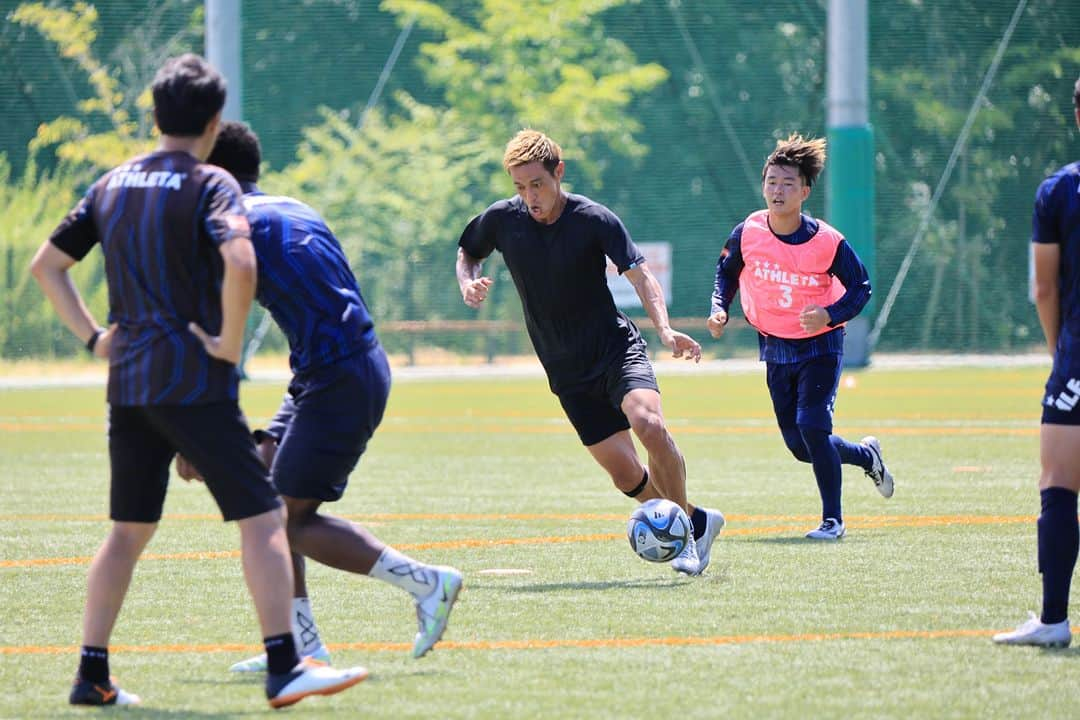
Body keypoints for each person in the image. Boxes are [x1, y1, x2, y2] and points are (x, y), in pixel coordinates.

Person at [29, 54, 366, 709]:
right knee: (265, 515)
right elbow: (240, 260)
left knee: (128, 531)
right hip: (192, 382)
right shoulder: (213, 183)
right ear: (214, 122)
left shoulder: (111, 185)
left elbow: (48, 266)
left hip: (128, 387)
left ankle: (91, 675)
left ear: (154, 115)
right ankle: (285, 666)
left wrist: (95, 338)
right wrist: (228, 345)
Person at [189, 120, 461, 671]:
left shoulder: (235, 225)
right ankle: (300, 645)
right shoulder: (292, 207)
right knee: (267, 500)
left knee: (286, 520)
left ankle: (427, 583)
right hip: (335, 370)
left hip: (338, 377)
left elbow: (219, 335)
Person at [456, 129, 725, 576]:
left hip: (615, 350)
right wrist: (468, 281)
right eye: (520, 188)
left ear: (558, 173)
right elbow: (468, 251)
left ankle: (684, 543)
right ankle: (698, 521)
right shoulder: (503, 220)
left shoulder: (594, 219)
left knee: (649, 425)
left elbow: (641, 277)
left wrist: (664, 328)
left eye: (537, 185)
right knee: (626, 475)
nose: (529, 197)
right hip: (566, 370)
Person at [706, 133, 894, 541]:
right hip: (775, 344)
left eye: (788, 183)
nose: (778, 190)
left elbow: (861, 288)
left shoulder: (826, 241)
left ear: (804, 191)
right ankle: (866, 455)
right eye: (771, 181)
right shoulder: (749, 230)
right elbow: (726, 271)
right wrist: (719, 306)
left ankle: (833, 521)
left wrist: (829, 313)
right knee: (799, 444)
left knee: (812, 426)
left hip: (820, 345)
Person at [993, 77, 1080, 648]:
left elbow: (1043, 289)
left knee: (1059, 483)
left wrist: (1060, 353)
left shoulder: (1060, 190)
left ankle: (1053, 620)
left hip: (1078, 359)